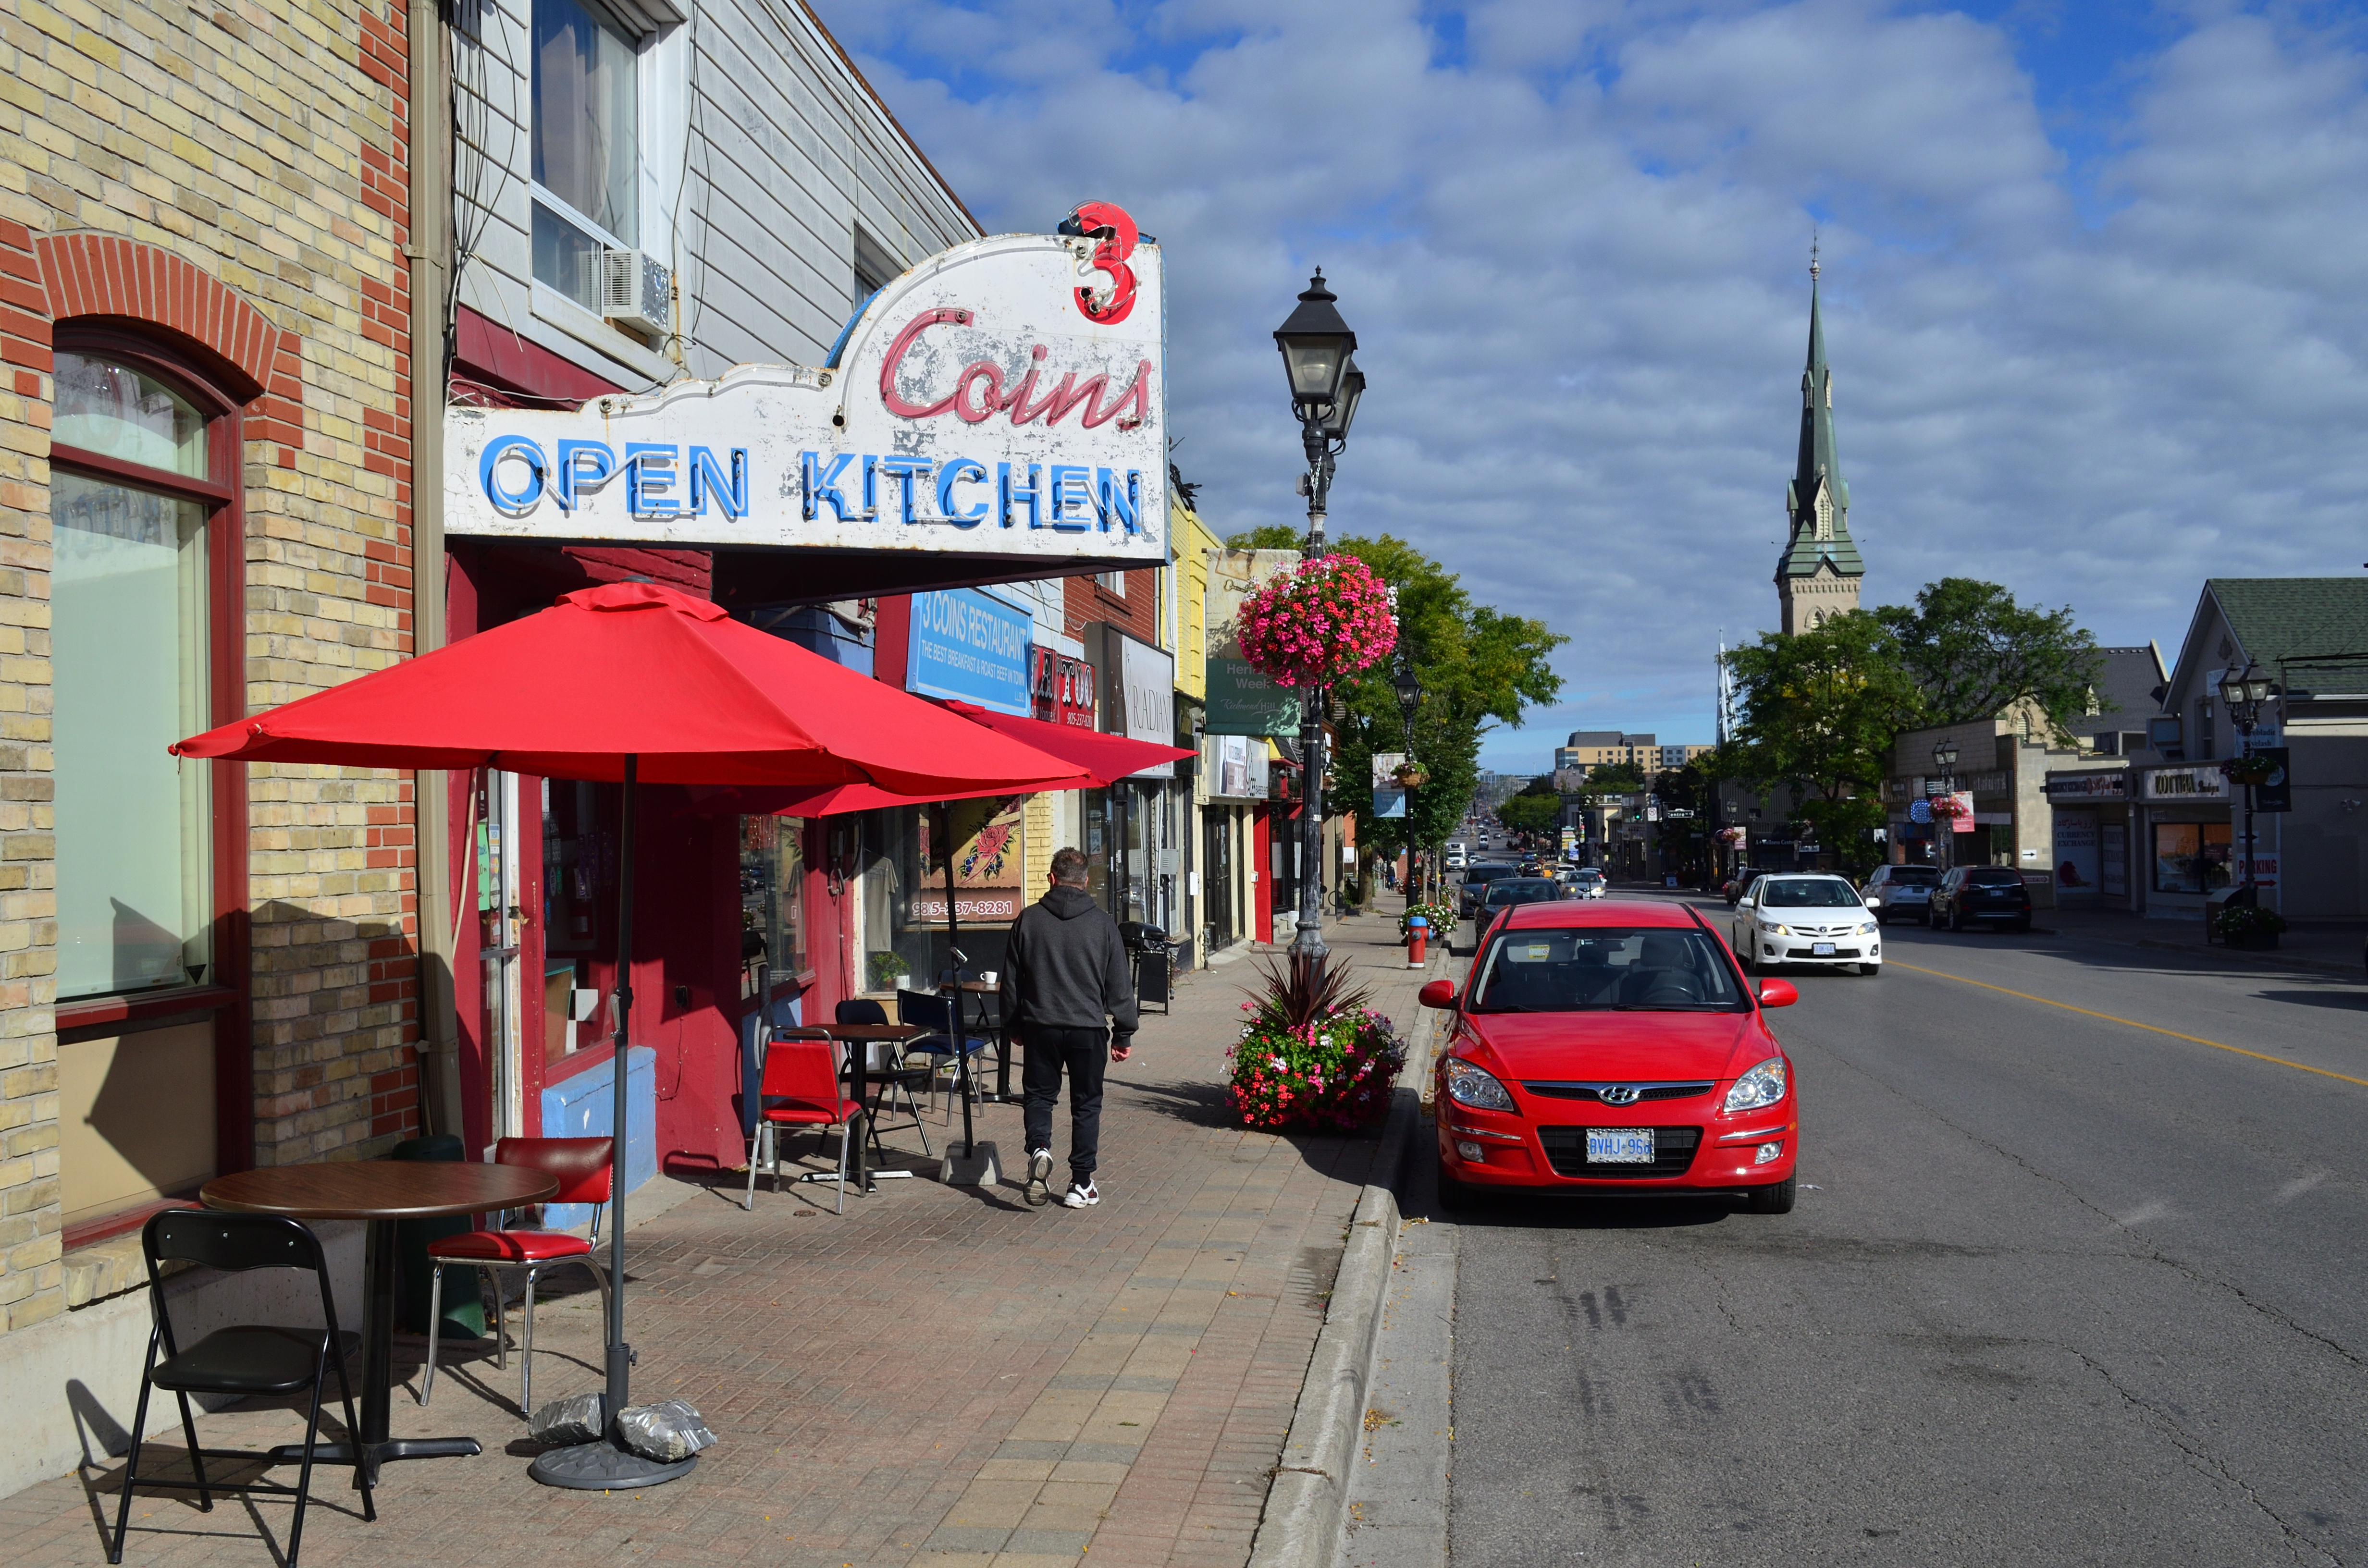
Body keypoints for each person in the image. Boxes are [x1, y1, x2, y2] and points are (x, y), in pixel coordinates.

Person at [999, 846, 1140, 1209]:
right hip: (1088, 1029)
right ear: (1087, 882)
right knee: (1086, 1105)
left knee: (1039, 1097)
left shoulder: (1028, 921)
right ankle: (1081, 1183)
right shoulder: (1103, 924)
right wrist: (1123, 1033)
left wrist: (1014, 1024)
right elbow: (1120, 986)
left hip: (1041, 1027)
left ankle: (1040, 1147)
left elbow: (1011, 981)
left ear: (1051, 878)